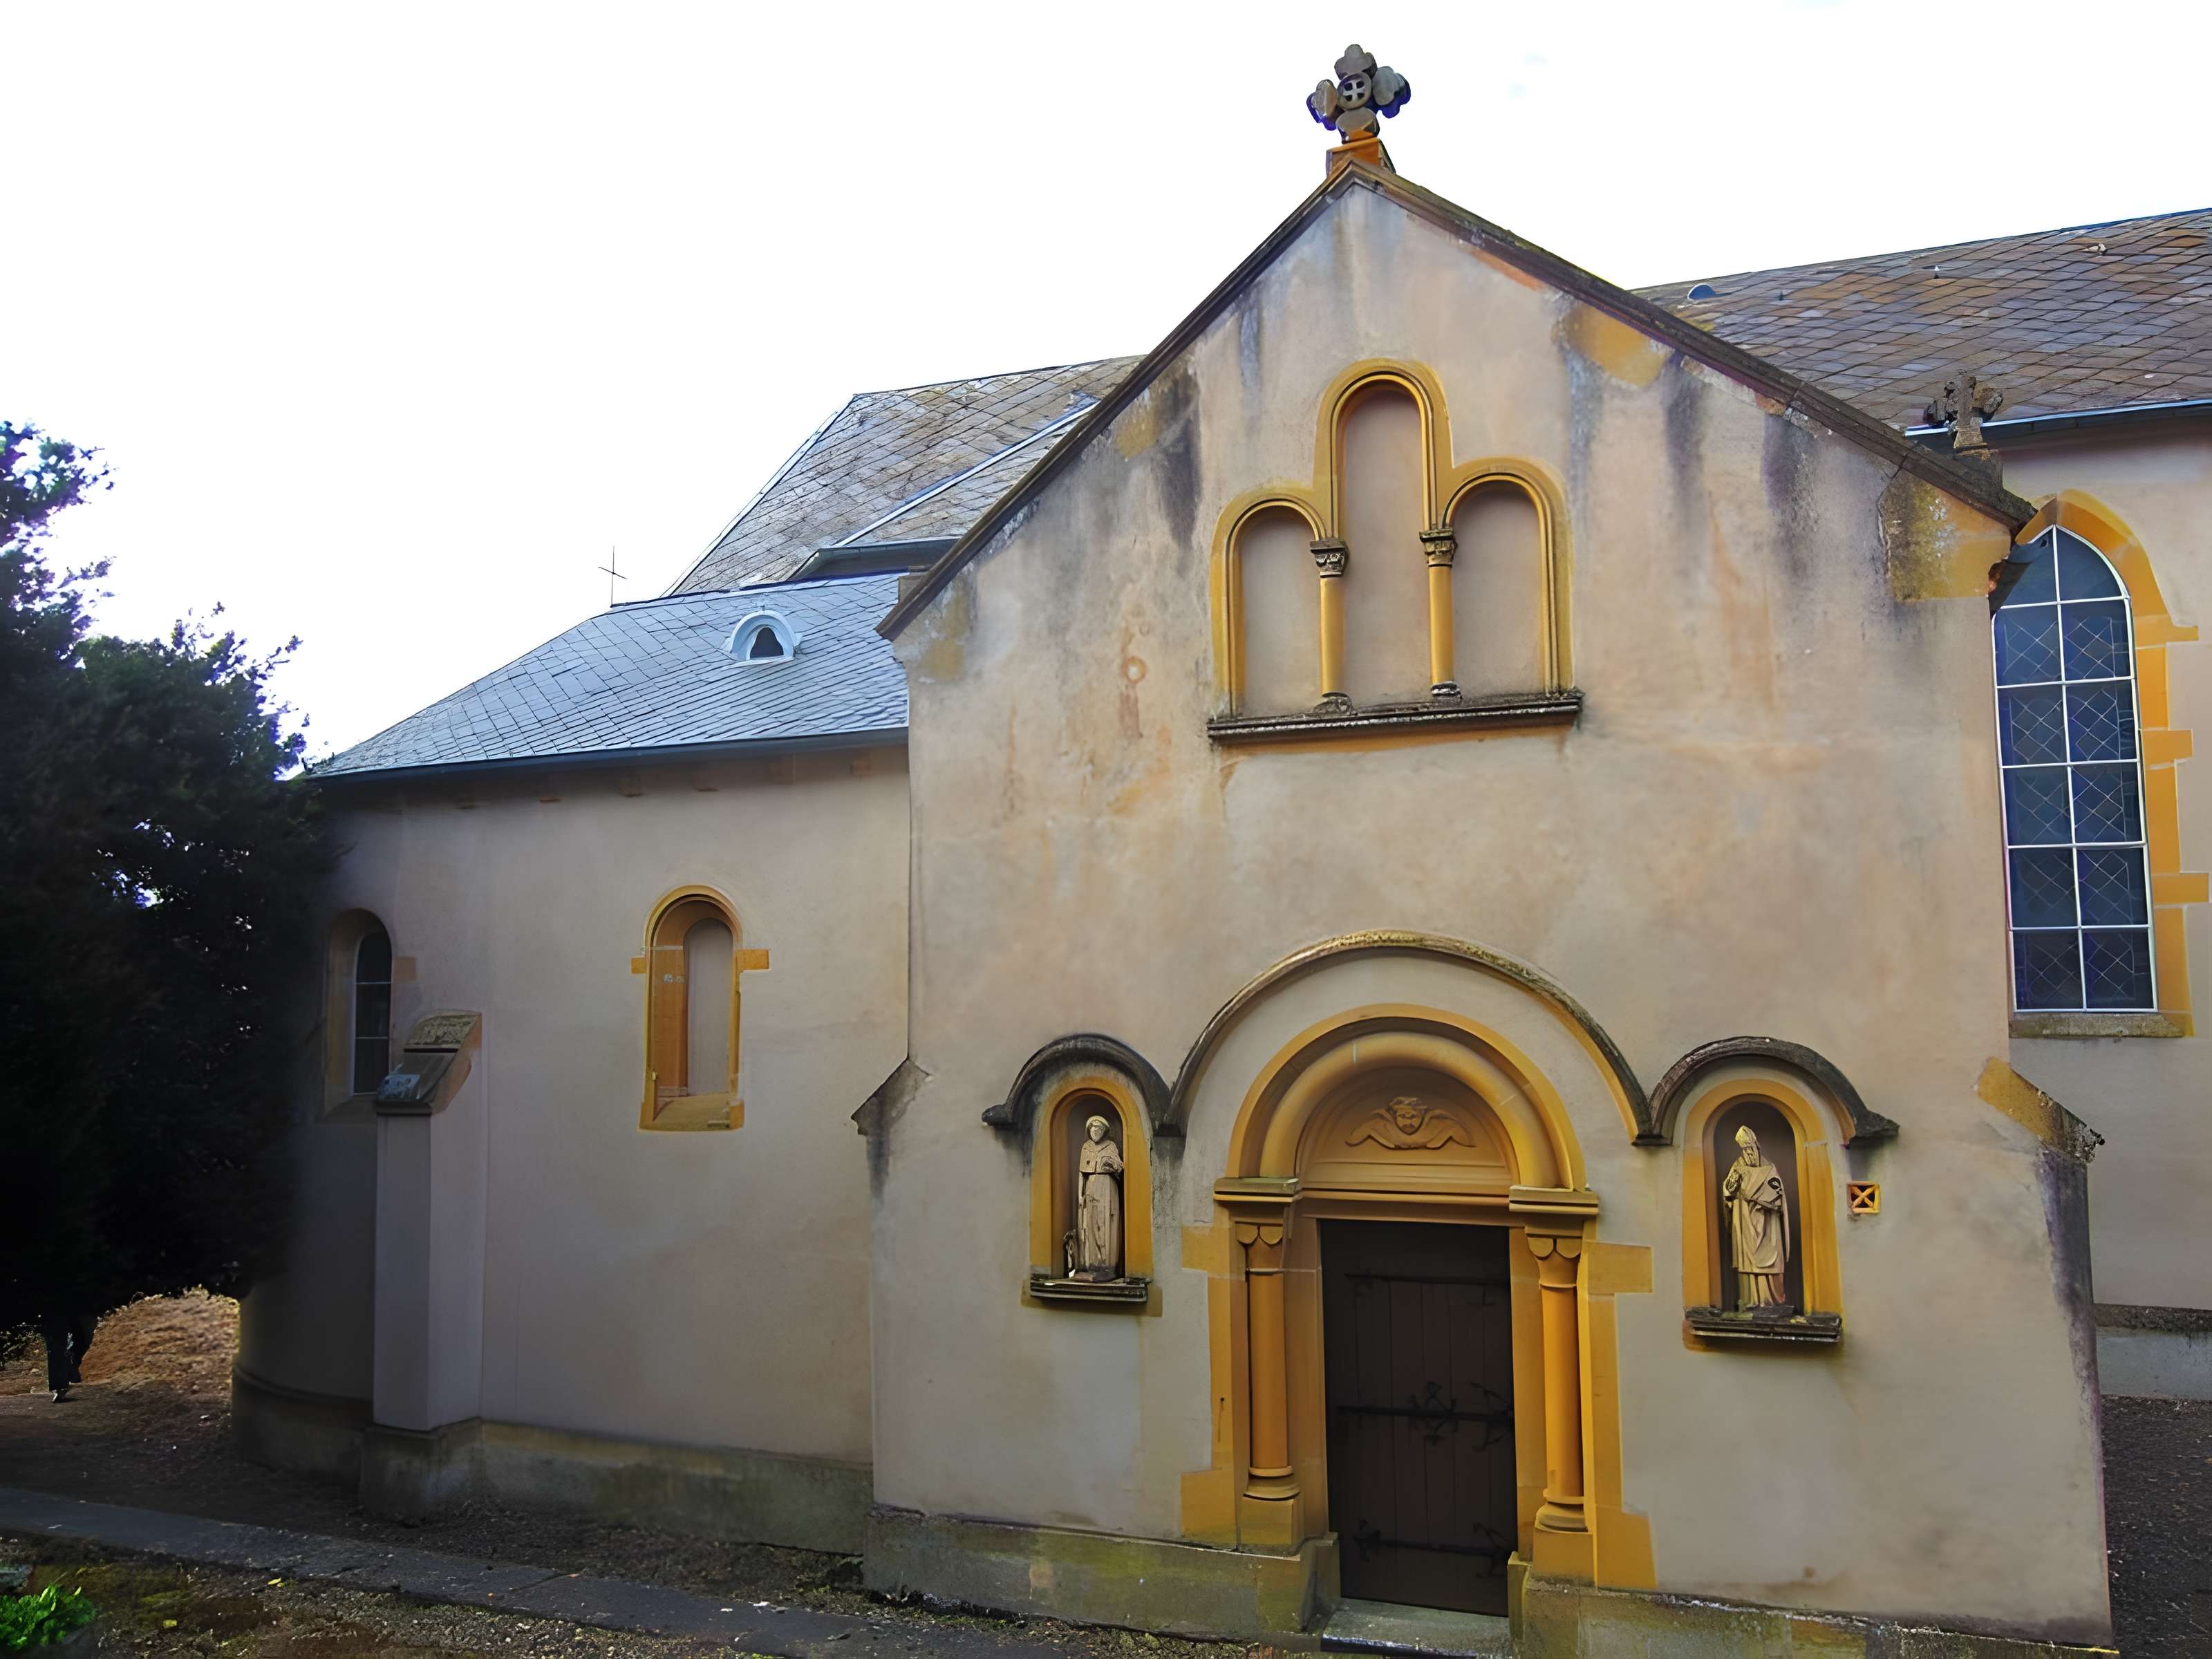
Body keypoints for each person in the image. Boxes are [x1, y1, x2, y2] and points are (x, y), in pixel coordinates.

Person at [1719, 1125, 1790, 1311]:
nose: (1748, 1152)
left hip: (1767, 1221)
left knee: (1772, 1257)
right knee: (1747, 1259)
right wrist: (1730, 1187)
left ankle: (1773, 1300)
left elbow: (1778, 1194)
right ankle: (1750, 1300)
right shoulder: (1738, 1165)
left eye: (1750, 1147)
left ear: (1756, 1146)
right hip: (1744, 1219)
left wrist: (1764, 1200)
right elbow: (1728, 1189)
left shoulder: (1769, 1169)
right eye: (1744, 1148)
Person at [1076, 1115, 1124, 1280]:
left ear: (1105, 1131)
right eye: (1094, 1128)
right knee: (1090, 1223)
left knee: (1105, 1223)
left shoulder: (1110, 1146)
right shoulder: (1086, 1147)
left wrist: (1112, 1165)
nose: (1096, 1131)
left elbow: (1119, 1167)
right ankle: (1092, 1263)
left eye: (1100, 1128)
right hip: (1090, 1188)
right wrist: (1081, 1195)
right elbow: (1082, 1174)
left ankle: (1107, 1264)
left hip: (1107, 1187)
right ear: (1089, 1130)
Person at [37, 1311, 97, 1403]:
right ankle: (61, 1384)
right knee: (56, 1349)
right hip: (58, 1318)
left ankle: (68, 1376)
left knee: (77, 1343)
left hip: (69, 1315)